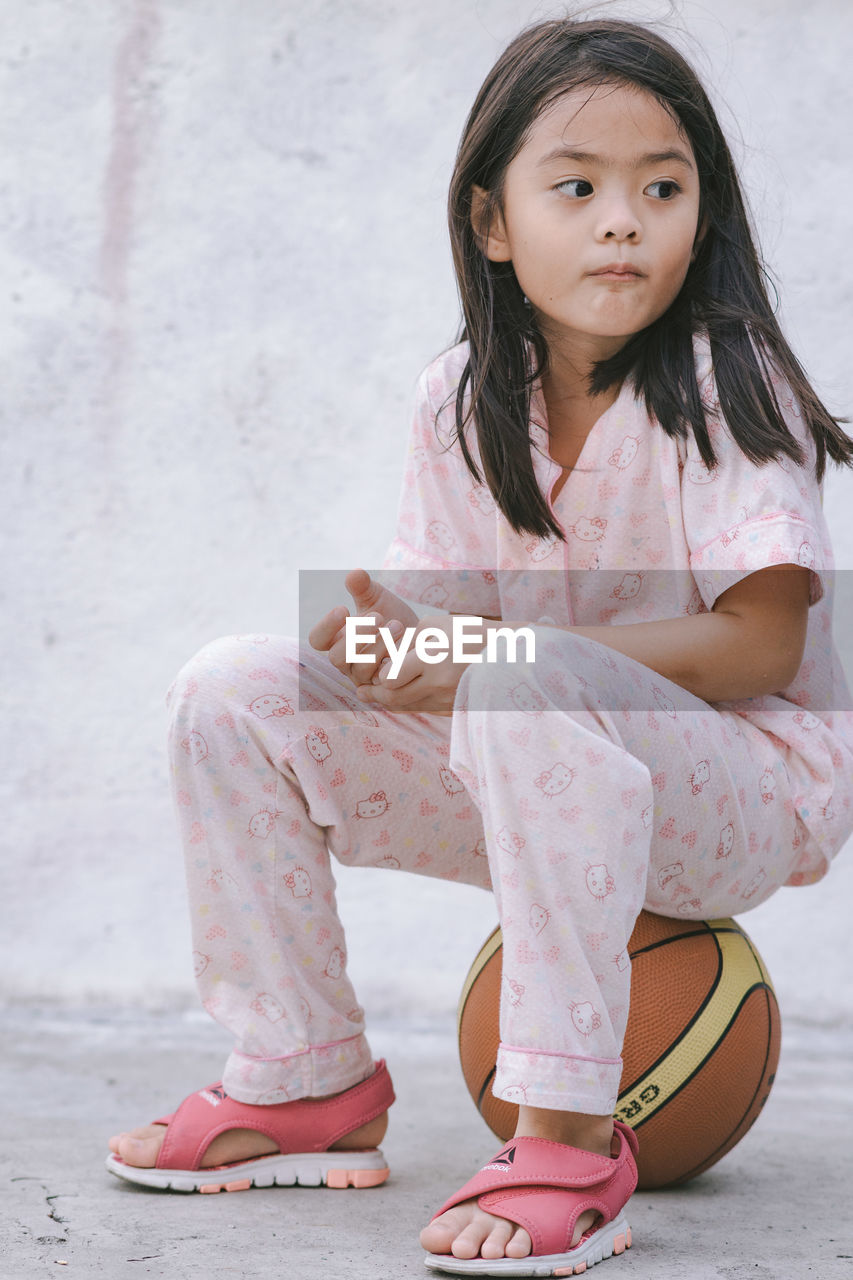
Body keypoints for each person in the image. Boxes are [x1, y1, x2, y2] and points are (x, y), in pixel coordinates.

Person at [106, 15, 853, 1277]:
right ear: (491, 224)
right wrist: (411, 654)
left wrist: (505, 655)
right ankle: (303, 1074)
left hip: (742, 788)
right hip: (539, 757)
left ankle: (568, 1130)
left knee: (524, 672)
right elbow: (471, 650)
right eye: (576, 187)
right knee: (231, 687)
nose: (623, 220)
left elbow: (762, 648)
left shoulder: (730, 382)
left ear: (702, 218)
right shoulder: (458, 399)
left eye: (661, 189)